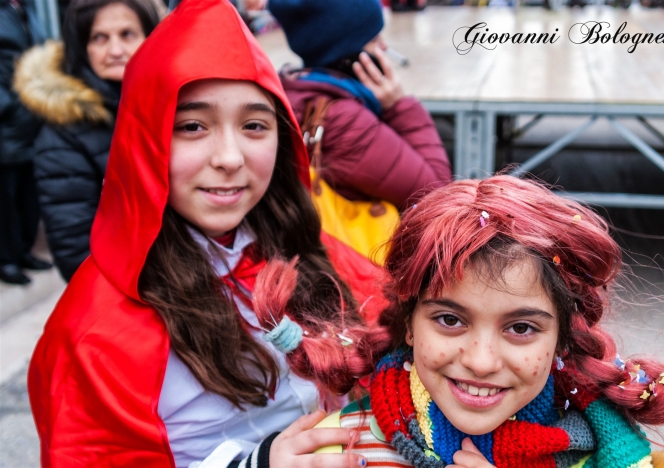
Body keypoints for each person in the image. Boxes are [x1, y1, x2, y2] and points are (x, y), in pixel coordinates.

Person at [28, 0, 388, 466]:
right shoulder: (92, 333)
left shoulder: (313, 254)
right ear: (144, 140)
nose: (230, 157)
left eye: (254, 125)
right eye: (193, 126)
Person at [311, 176, 664, 467]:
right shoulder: (333, 451)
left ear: (563, 338)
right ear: (409, 324)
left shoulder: (629, 456)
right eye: (449, 319)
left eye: (521, 328)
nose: (481, 362)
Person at [14, 0, 160, 282]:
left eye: (127, 34)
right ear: (83, 48)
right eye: (99, 38)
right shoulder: (61, 135)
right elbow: (76, 252)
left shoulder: (178, 105)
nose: (116, 50)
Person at [268, 0, 452, 211]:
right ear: (347, 55)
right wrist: (399, 106)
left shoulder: (299, 87)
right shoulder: (344, 120)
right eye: (373, 39)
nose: (383, 47)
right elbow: (438, 196)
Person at [0, 0, 51, 285]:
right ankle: (7, 259)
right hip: (8, 122)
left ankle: (23, 251)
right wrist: (7, 105)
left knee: (28, 195)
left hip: (31, 119)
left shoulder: (27, 8)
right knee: (5, 198)